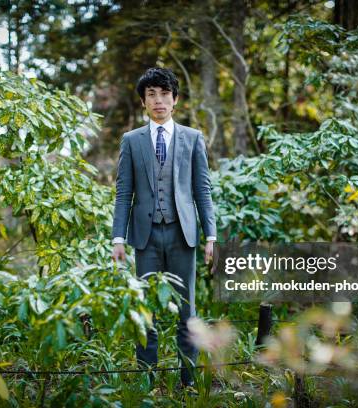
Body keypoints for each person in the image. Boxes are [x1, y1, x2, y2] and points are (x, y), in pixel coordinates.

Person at [111, 67, 217, 390]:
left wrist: (210, 235)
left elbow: (203, 189)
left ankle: (188, 384)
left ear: (176, 100)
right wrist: (118, 237)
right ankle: (146, 382)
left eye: (164, 94)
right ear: (143, 102)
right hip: (144, 238)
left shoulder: (193, 138)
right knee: (146, 311)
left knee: (188, 311)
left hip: (182, 235)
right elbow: (123, 192)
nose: (159, 100)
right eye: (151, 95)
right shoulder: (131, 141)